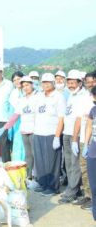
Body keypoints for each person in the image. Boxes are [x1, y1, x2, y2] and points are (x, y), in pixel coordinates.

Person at [0, 76, 37, 182]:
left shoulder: (38, 97)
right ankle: (29, 176)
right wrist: (5, 128)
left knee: (36, 155)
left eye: (27, 85)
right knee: (28, 155)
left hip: (35, 131)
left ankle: (37, 177)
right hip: (24, 131)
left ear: (32, 84)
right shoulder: (22, 100)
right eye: (23, 86)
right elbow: (15, 115)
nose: (25, 88)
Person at [33, 73, 66, 196]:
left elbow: (61, 118)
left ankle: (53, 187)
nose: (45, 84)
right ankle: (43, 184)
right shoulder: (39, 96)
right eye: (43, 82)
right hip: (38, 132)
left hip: (51, 133)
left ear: (53, 83)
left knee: (52, 161)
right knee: (40, 161)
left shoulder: (58, 97)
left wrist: (57, 136)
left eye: (48, 82)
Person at [59, 70, 84, 203]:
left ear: (80, 83)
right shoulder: (71, 96)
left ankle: (72, 191)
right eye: (69, 82)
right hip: (67, 133)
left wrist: (75, 139)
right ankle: (75, 188)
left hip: (76, 135)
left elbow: (79, 119)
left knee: (75, 164)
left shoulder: (82, 96)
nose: (70, 85)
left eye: (73, 82)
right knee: (68, 163)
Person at [72, 73, 95, 209]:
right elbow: (79, 119)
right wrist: (75, 139)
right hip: (84, 139)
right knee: (85, 169)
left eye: (93, 81)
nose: (90, 84)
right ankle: (88, 196)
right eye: (88, 82)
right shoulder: (83, 98)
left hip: (94, 140)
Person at [84, 86, 96, 220]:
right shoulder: (93, 110)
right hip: (93, 152)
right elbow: (89, 126)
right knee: (94, 186)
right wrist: (86, 144)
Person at [8, 71, 25, 161]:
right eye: (14, 80)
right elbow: (11, 112)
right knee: (17, 146)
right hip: (17, 125)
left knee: (28, 148)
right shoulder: (13, 94)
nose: (17, 81)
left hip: (28, 123)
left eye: (19, 79)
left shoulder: (29, 91)